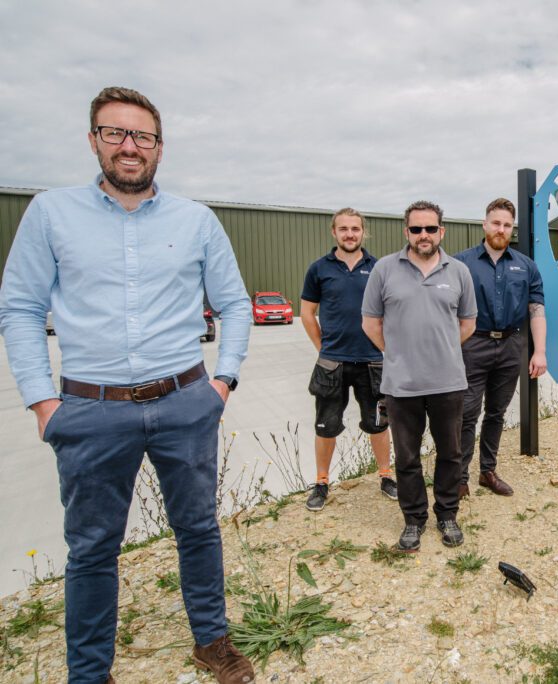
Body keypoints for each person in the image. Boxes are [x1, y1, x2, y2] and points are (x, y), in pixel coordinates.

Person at [0, 87, 254, 683]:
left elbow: (235, 305)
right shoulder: (51, 213)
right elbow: (19, 308)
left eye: (142, 136)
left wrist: (222, 383)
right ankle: (89, 672)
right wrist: (43, 403)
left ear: (160, 148)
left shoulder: (196, 221)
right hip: (90, 409)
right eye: (115, 133)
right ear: (94, 141)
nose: (129, 146)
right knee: (91, 548)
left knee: (197, 528)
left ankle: (211, 641)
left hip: (185, 401)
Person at [361, 200, 476, 552]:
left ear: (442, 231)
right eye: (416, 229)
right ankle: (413, 520)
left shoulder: (458, 272)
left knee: (450, 454)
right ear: (406, 232)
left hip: (448, 383)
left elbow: (468, 323)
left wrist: (441, 348)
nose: (423, 235)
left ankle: (447, 515)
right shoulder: (384, 270)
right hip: (401, 384)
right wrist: (398, 352)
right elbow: (370, 323)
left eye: (430, 228)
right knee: (407, 457)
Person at [300, 208, 395, 510]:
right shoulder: (319, 269)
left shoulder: (379, 267)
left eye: (355, 229)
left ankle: (386, 475)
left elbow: (391, 312)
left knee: (379, 424)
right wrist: (323, 347)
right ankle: (321, 482)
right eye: (344, 229)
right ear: (334, 232)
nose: (350, 234)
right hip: (332, 364)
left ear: (363, 232)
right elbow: (307, 313)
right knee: (325, 426)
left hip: (372, 363)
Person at [454, 198, 546, 498]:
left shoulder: (526, 266)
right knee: (467, 413)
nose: (501, 229)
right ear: (485, 224)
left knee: (497, 413)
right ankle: (459, 477)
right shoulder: (461, 263)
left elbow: (537, 310)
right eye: (496, 223)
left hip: (510, 346)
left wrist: (539, 351)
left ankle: (487, 471)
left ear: (512, 229)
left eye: (507, 225)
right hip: (472, 345)